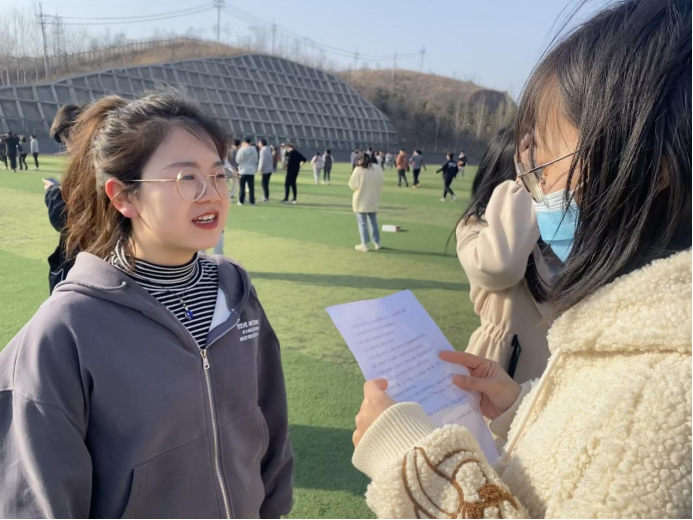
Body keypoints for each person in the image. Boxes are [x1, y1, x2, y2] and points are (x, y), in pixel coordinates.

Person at [350, 0, 691, 518]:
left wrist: (408, 456)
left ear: (651, 168)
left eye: (546, 163)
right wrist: (520, 406)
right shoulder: (636, 343)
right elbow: (576, 469)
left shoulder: (657, 393)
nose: (537, 187)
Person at [0, 90, 294, 518]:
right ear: (123, 196)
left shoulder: (236, 293)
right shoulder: (67, 329)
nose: (212, 193)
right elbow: (39, 499)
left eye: (218, 174)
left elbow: (270, 422)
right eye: (186, 178)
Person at [455, 127, 553, 382]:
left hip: (555, 369)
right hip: (502, 368)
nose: (545, 181)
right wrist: (525, 182)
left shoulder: (555, 225)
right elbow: (501, 267)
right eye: (539, 171)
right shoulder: (474, 228)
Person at [44, 103, 85, 293]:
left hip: (83, 262)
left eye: (65, 141)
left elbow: (65, 219)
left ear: (72, 131)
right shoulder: (110, 155)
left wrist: (53, 193)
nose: (67, 150)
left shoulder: (89, 163)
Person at [349, 152, 384, 252]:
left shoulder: (358, 170)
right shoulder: (377, 168)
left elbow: (352, 185)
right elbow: (381, 181)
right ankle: (377, 242)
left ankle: (364, 244)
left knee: (362, 223)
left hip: (361, 199)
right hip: (373, 198)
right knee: (374, 222)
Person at [236, 137, 258, 206]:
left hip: (242, 170)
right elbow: (256, 159)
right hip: (251, 171)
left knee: (242, 186)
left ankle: (241, 201)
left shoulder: (241, 149)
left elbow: (238, 160)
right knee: (251, 187)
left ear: (244, 142)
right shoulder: (254, 150)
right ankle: (252, 201)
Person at [258, 138, 273, 202]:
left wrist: (260, 169)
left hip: (266, 169)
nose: (258, 144)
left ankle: (266, 197)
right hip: (269, 169)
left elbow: (262, 161)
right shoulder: (268, 149)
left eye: (259, 143)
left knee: (264, 184)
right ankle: (265, 196)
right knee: (265, 183)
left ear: (261, 143)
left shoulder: (263, 151)